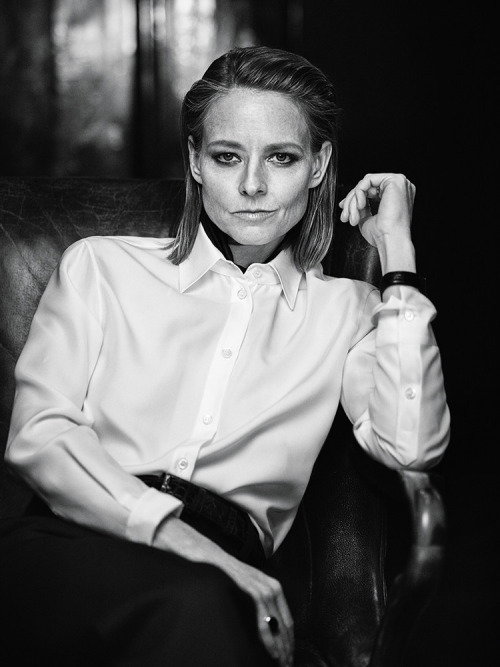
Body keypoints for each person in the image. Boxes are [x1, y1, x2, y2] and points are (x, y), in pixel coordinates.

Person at [0, 46, 450, 666]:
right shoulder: (101, 267)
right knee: (194, 602)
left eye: (282, 158)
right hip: (71, 540)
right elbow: (39, 435)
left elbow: (412, 446)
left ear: (318, 165)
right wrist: (190, 546)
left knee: (199, 607)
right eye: (226, 156)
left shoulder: (349, 310)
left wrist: (398, 252)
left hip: (222, 575)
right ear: (195, 160)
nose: (252, 186)